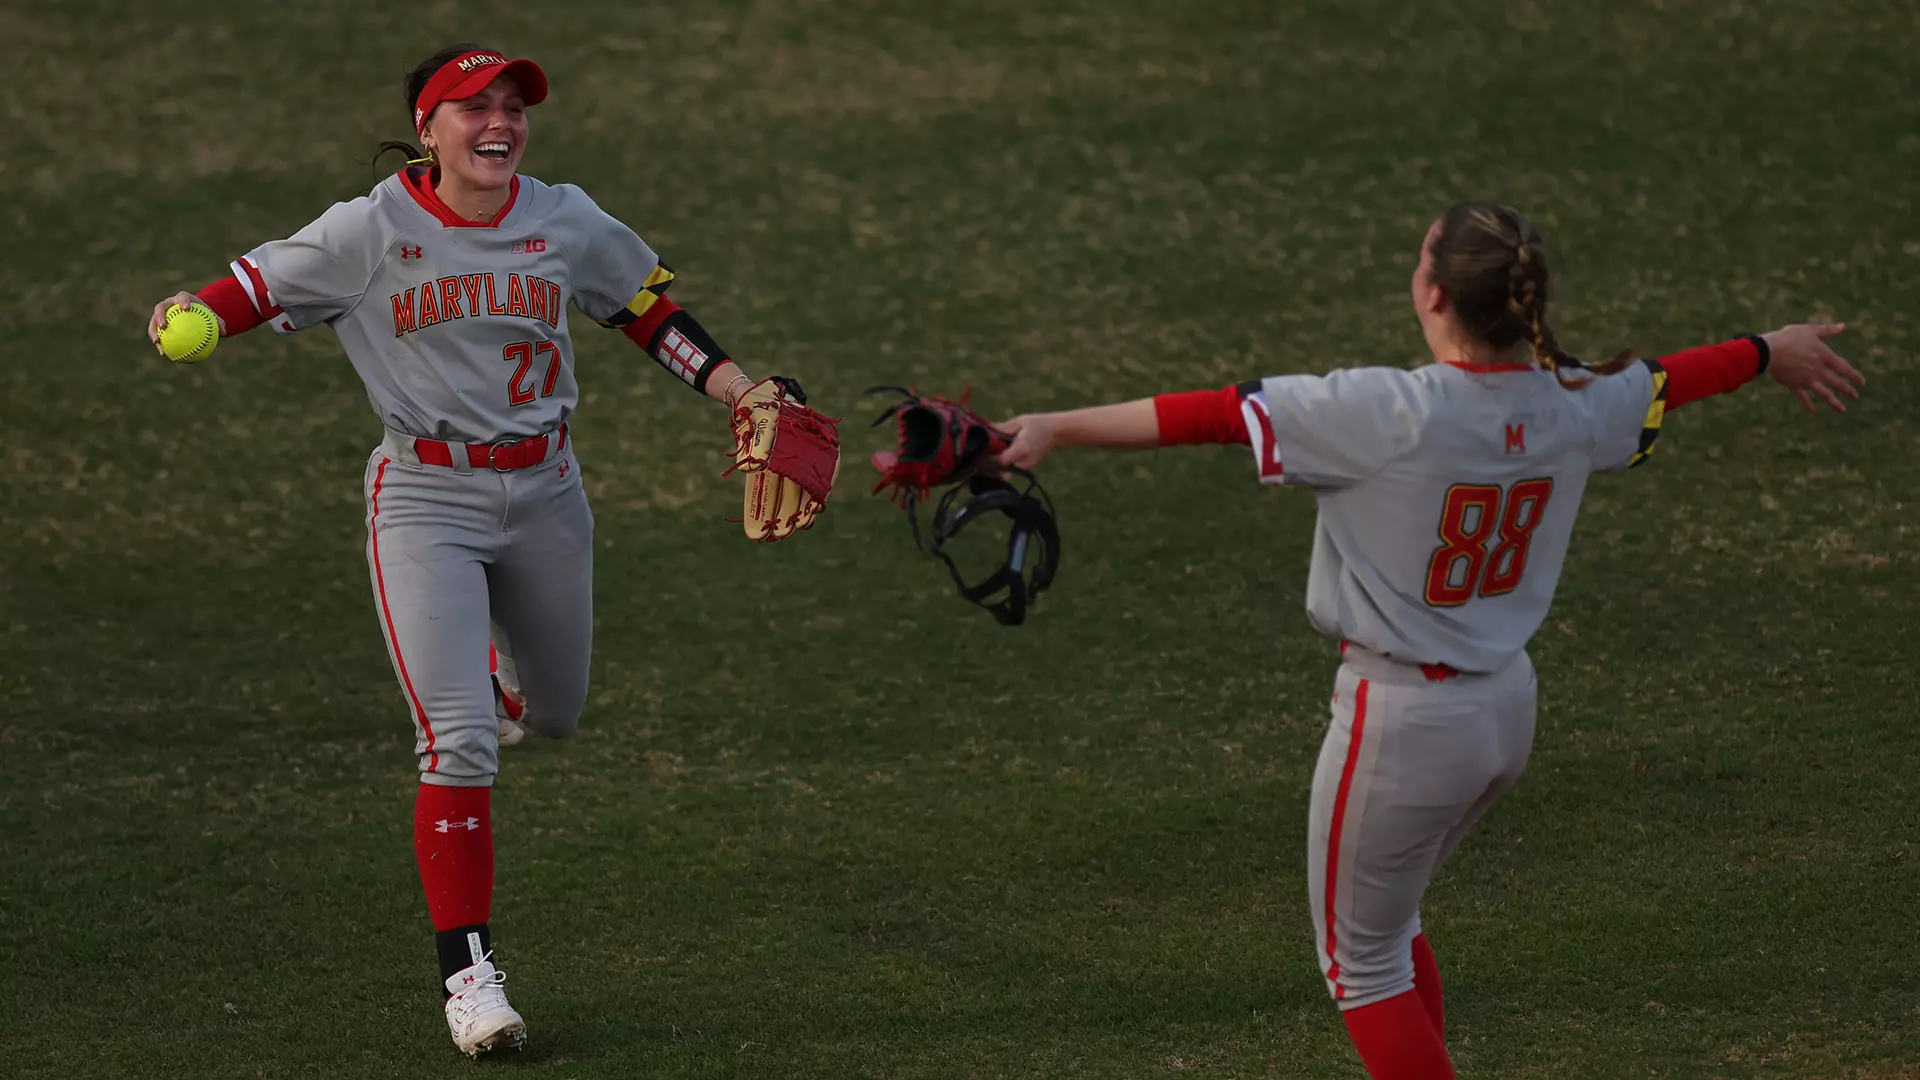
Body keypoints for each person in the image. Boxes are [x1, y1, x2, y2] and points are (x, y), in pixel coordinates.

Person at [991, 202, 1864, 1079]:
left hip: (1401, 723)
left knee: (1360, 970)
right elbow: (1669, 379)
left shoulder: (1384, 409)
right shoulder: (1577, 402)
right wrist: (1765, 349)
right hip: (1504, 708)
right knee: (1390, 932)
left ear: (1434, 293)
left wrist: (1056, 426)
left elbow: (1217, 414)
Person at [144, 43, 807, 1058]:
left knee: (557, 710)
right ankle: (469, 977)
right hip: (424, 498)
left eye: (512, 107)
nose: (498, 124)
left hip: (549, 491)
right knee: (455, 745)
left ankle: (499, 678)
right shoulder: (370, 231)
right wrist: (187, 313)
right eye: (473, 108)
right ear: (427, 127)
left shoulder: (562, 216)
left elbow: (644, 311)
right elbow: (248, 291)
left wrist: (741, 388)